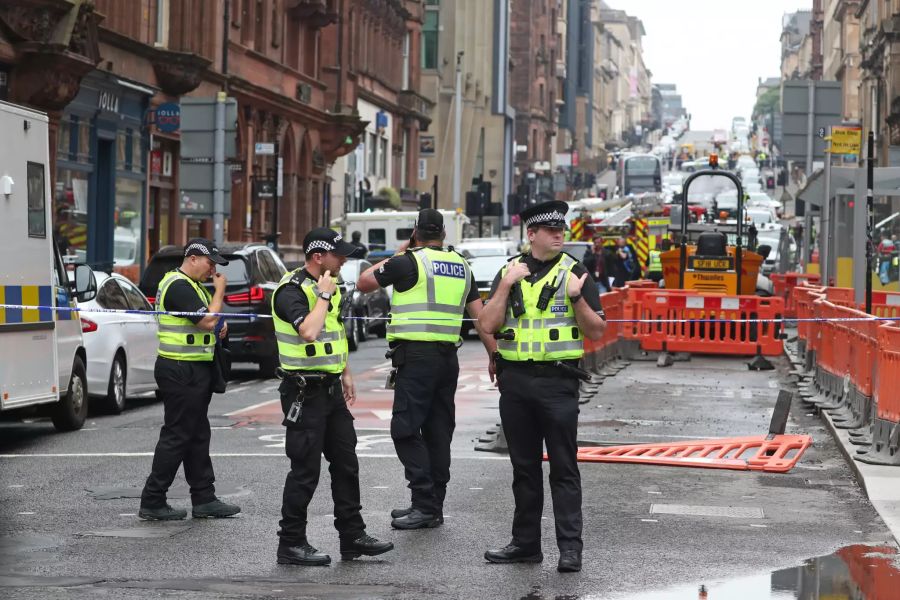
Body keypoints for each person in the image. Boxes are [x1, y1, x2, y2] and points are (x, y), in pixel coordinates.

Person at [478, 200, 607, 573]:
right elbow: (487, 325)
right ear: (531, 234)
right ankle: (525, 544)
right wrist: (504, 285)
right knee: (524, 469)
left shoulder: (575, 272)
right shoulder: (509, 271)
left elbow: (597, 330)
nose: (558, 235)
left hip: (558, 383)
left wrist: (576, 298)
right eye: (550, 231)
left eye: (561, 230)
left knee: (564, 469)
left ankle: (570, 549)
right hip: (516, 383)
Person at [357, 208, 495, 530]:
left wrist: (401, 252)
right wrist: (494, 356)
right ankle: (434, 506)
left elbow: (364, 282)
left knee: (404, 430)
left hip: (416, 358)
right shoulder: (462, 265)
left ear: (416, 233)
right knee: (438, 432)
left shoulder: (409, 261)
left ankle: (423, 504)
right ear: (444, 234)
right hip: (448, 360)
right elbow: (481, 317)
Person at [271, 228, 393, 566]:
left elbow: (335, 334)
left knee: (346, 464)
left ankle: (352, 536)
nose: (344, 260)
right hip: (303, 393)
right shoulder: (290, 291)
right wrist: (322, 297)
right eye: (338, 255)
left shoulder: (332, 289)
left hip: (330, 389)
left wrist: (345, 372)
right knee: (305, 471)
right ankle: (291, 543)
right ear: (317, 256)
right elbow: (308, 331)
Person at [139, 239, 240, 521]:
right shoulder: (178, 285)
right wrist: (219, 294)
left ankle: (204, 497)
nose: (212, 270)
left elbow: (208, 324)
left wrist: (220, 326)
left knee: (197, 435)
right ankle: (153, 499)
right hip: (181, 370)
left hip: (193, 369)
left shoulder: (190, 285)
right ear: (193, 258)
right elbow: (206, 321)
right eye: (210, 263)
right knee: (178, 436)